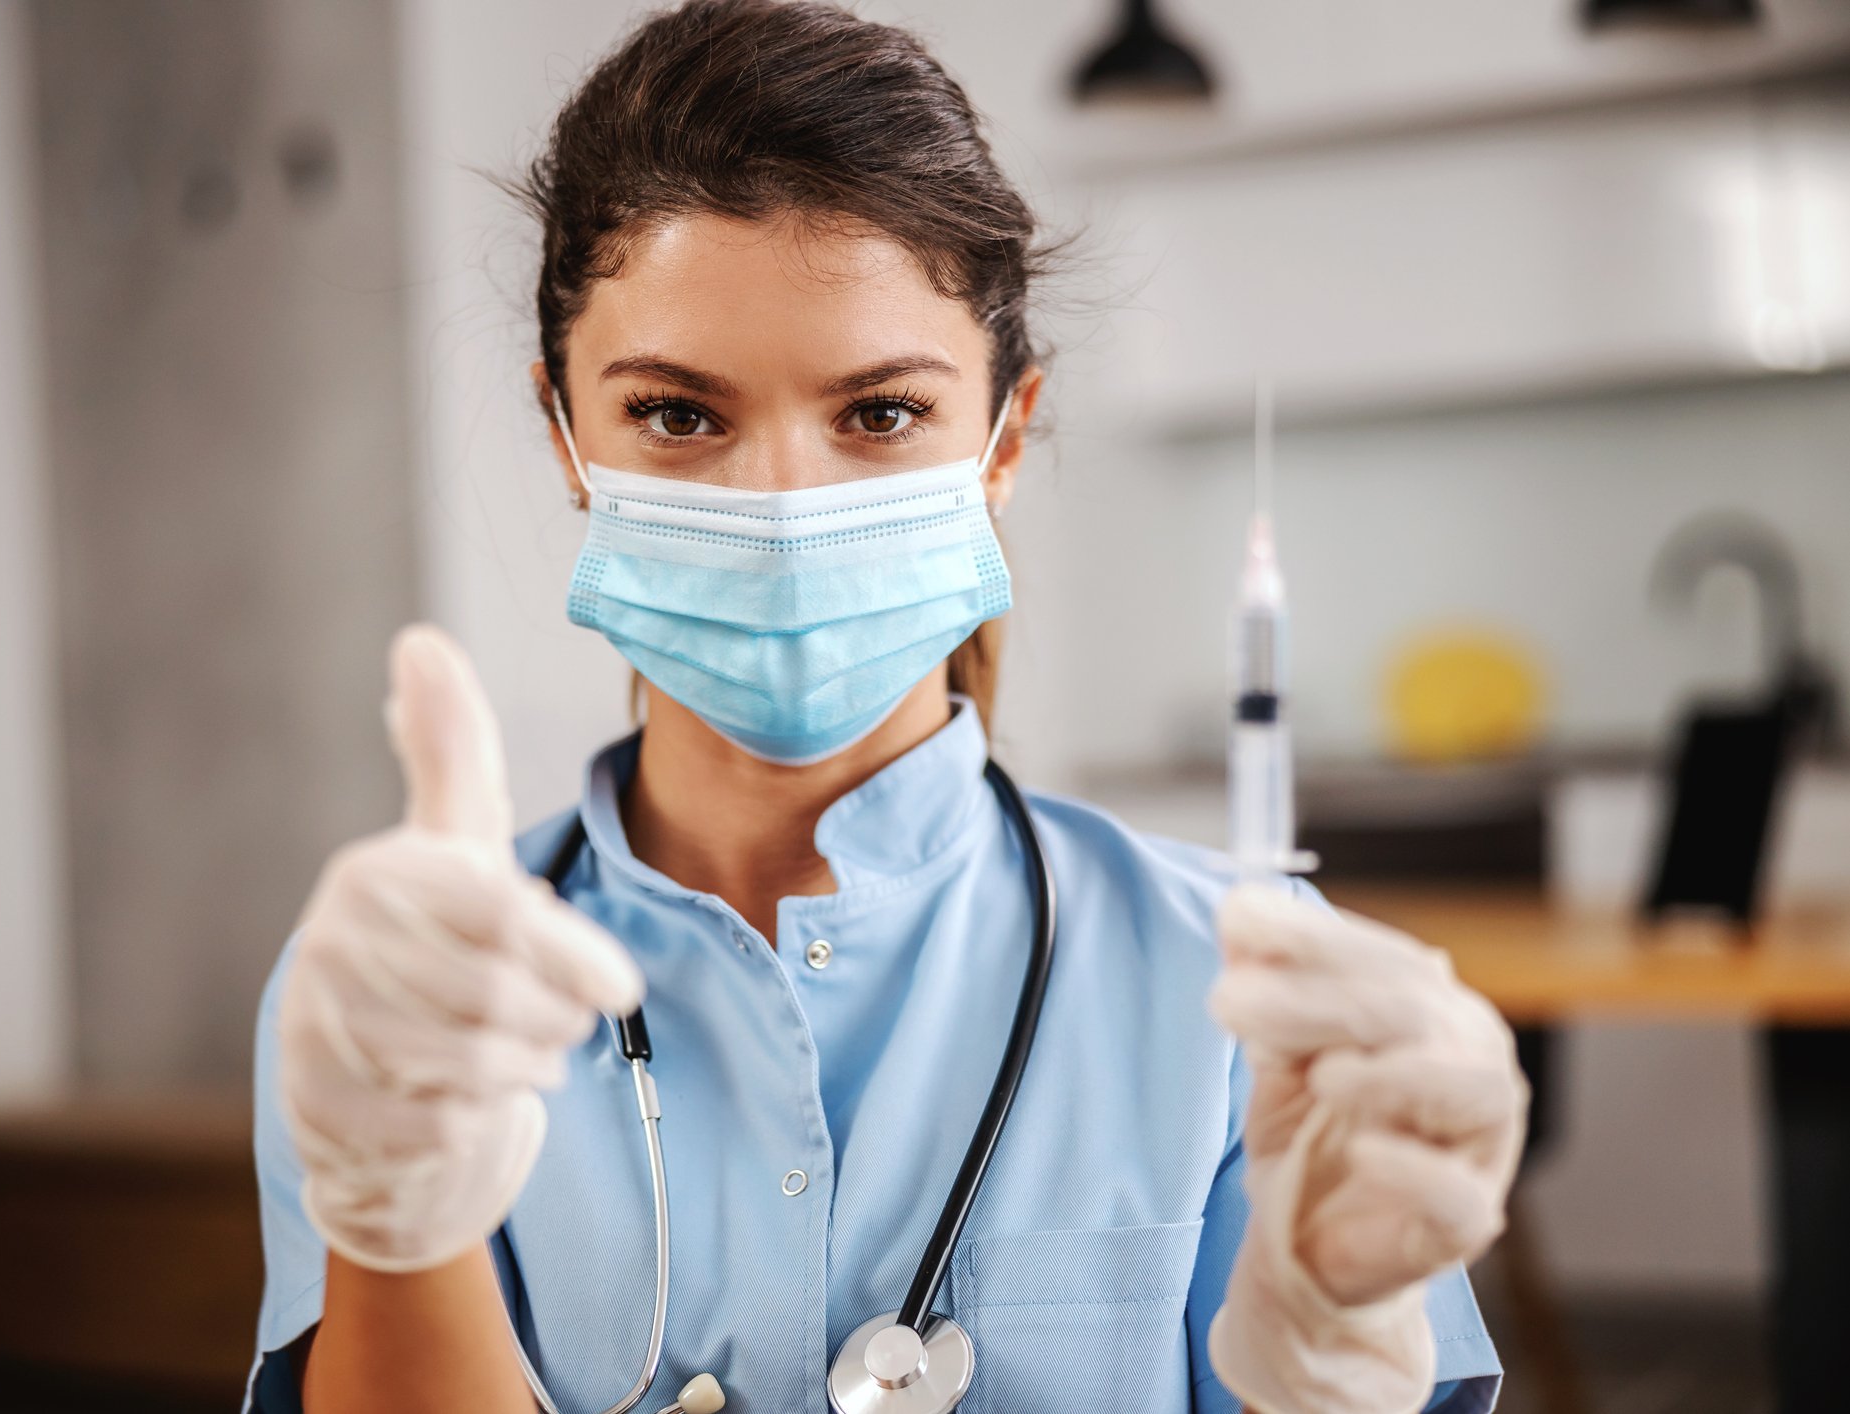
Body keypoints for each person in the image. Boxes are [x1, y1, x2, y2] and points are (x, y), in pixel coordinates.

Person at [246, 3, 1527, 1410]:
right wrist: (402, 1223)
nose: (784, 505)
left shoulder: (1249, 1002)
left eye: (878, 414)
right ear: (565, 432)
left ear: (1003, 437)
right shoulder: (405, 994)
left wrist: (1339, 1359)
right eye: (679, 414)